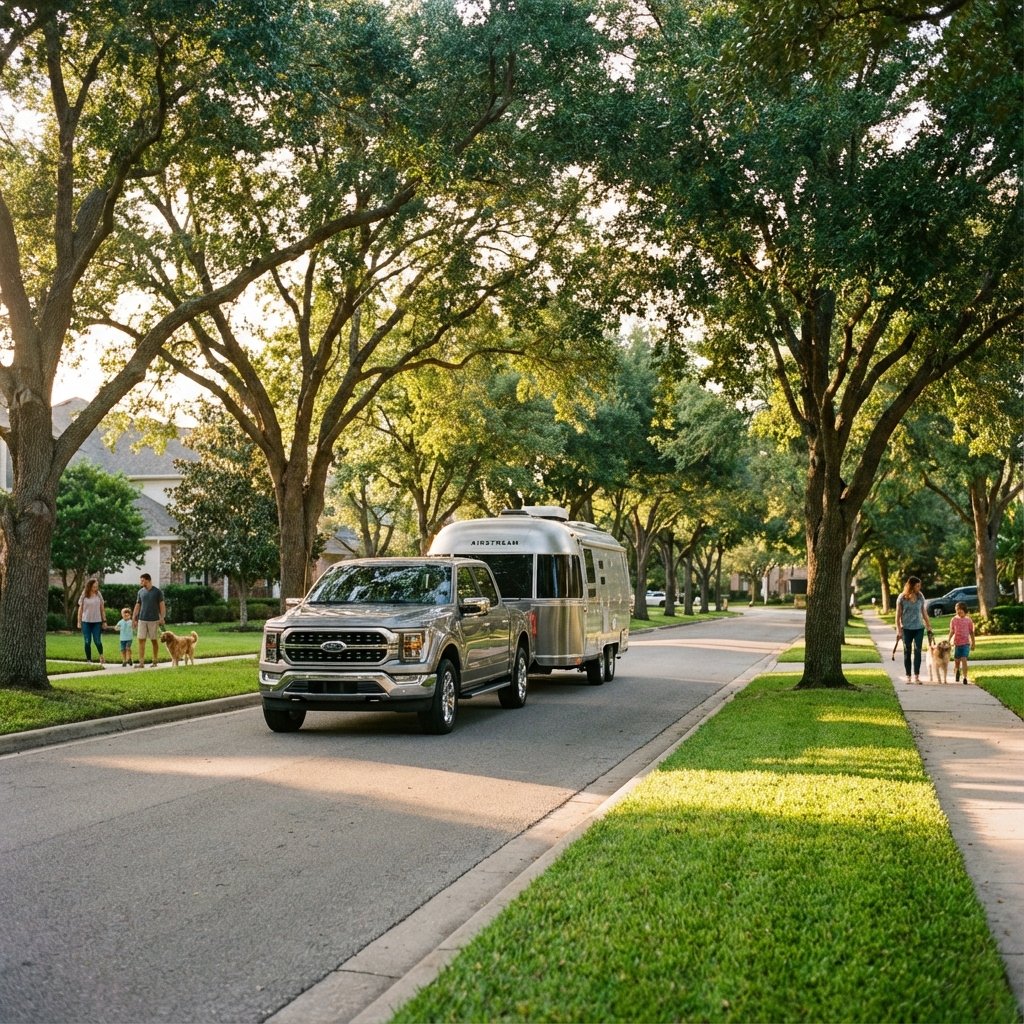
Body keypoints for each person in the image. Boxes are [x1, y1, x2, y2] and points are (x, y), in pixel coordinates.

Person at [895, 575, 933, 684]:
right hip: (906, 629)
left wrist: (928, 625)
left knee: (918, 651)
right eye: (917, 585)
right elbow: (897, 616)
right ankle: (908, 676)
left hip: (919, 628)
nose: (919, 587)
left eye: (919, 585)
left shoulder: (920, 596)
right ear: (911, 586)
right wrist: (899, 630)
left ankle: (916, 676)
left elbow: (924, 612)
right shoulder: (902, 598)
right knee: (907, 652)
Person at [132, 573, 165, 668]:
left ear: (148, 580)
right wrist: (134, 618)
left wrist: (162, 617)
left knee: (154, 640)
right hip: (142, 620)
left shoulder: (157, 592)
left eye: (142, 580)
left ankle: (154, 662)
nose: (141, 582)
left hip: (154, 620)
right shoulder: (140, 592)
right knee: (141, 640)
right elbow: (137, 606)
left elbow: (162, 606)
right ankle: (141, 663)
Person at [77, 578, 106, 665]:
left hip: (97, 621)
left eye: (97, 586)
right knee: (87, 641)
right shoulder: (84, 595)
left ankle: (101, 655)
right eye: (94, 587)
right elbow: (80, 609)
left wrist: (104, 621)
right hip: (86, 621)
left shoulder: (98, 595)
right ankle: (89, 660)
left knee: (97, 641)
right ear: (89, 586)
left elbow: (102, 609)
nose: (95, 588)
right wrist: (78, 621)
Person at [948, 601, 976, 685]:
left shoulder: (968, 620)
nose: (958, 611)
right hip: (957, 643)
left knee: (964, 659)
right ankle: (957, 671)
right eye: (957, 610)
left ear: (964, 610)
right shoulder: (954, 620)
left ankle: (965, 677)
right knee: (957, 661)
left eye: (960, 609)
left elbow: (971, 632)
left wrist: (973, 643)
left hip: (966, 644)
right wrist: (948, 641)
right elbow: (952, 631)